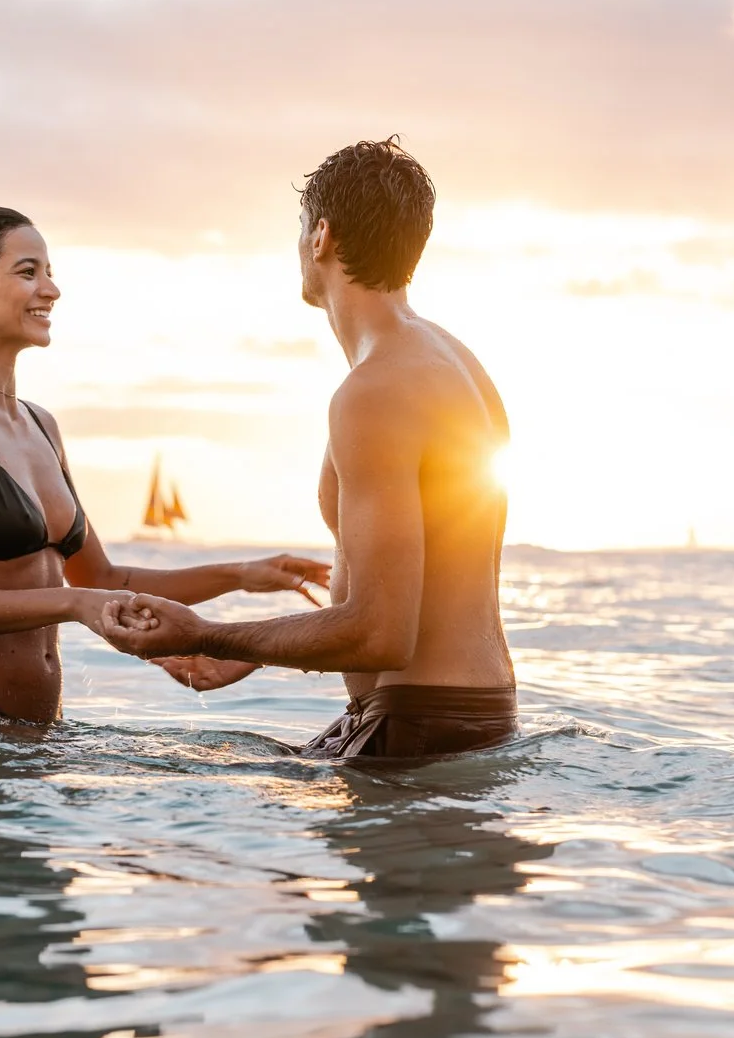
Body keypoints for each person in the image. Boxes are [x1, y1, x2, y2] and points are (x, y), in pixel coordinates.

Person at [98, 140, 516, 759]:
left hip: (420, 725)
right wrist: (260, 652)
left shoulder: (375, 390)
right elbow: (411, 591)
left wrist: (210, 636)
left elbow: (381, 634)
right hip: (462, 716)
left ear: (320, 236)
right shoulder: (453, 363)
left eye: (299, 230)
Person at [0, 206, 330, 723]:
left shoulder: (40, 424)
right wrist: (76, 604)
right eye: (28, 272)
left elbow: (102, 576)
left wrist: (241, 574)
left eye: (50, 273)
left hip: (35, 739)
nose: (51, 290)